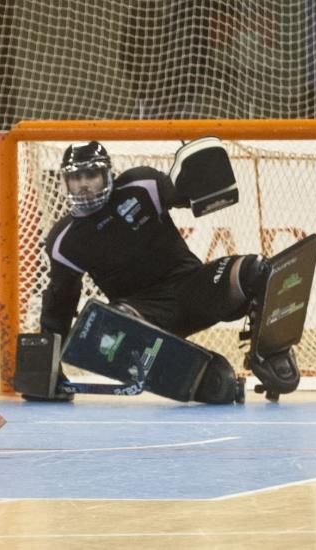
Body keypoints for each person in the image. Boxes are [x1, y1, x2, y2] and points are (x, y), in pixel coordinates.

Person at [35, 141, 279, 404]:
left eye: (91, 175)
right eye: (75, 177)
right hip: (145, 317)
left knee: (258, 269)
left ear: (107, 175)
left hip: (194, 290)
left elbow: (184, 194)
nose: (83, 184)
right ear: (65, 182)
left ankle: (269, 354)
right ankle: (205, 377)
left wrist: (199, 175)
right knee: (104, 324)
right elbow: (58, 306)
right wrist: (47, 371)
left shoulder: (141, 185)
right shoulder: (64, 241)